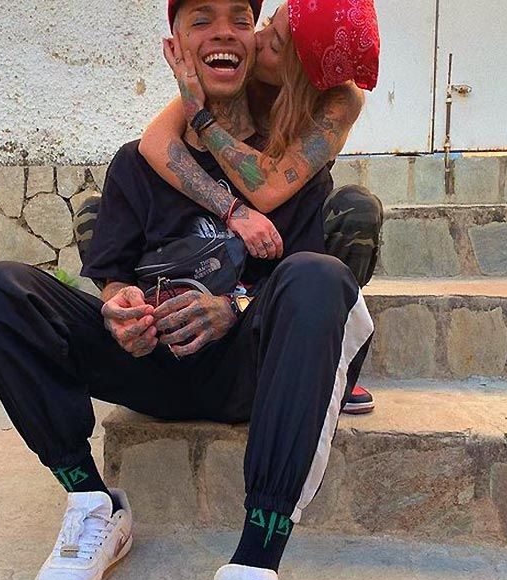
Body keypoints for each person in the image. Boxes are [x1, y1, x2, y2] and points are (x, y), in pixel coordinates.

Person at [0, 0, 377, 580]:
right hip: (149, 367)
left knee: (319, 276)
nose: (224, 33)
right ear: (176, 46)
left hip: (245, 372)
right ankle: (92, 503)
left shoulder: (293, 168)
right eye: (200, 19)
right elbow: (114, 274)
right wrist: (120, 308)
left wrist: (233, 307)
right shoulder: (138, 161)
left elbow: (294, 281)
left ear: (256, 42)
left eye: (240, 18)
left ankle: (254, 572)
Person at [139, 0, 382, 414]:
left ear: (301, 71)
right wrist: (233, 211)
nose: (258, 38)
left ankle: (327, 355)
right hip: (232, 240)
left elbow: (269, 188)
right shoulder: (241, 68)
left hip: (295, 236)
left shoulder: (340, 99)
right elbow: (154, 142)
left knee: (356, 212)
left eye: (277, 43)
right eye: (268, 23)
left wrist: (201, 118)